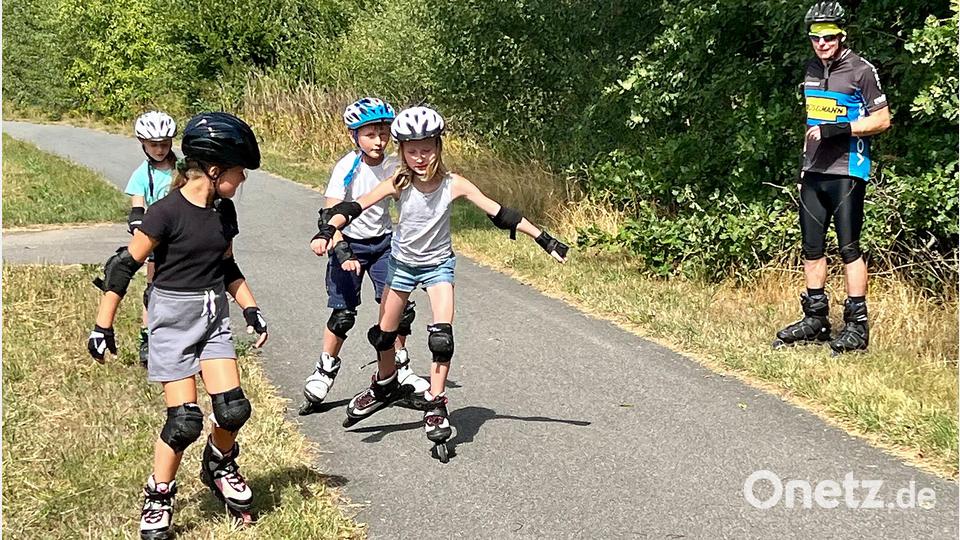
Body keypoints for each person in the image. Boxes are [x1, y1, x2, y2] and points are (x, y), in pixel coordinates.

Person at [312, 106, 568, 460]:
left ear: (439, 146)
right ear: (401, 151)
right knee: (383, 336)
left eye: (427, 148)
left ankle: (435, 402)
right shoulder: (399, 183)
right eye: (412, 150)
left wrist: (545, 239)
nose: (420, 157)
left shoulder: (453, 184)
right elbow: (354, 206)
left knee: (441, 338)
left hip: (437, 267)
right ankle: (385, 385)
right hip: (401, 267)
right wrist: (329, 227)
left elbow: (499, 212)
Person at [87, 112, 268, 539]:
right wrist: (103, 326)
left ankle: (219, 463)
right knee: (184, 421)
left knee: (233, 409)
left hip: (213, 317)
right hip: (171, 320)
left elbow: (227, 267)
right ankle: (159, 494)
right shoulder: (165, 213)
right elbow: (122, 267)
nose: (242, 180)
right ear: (213, 169)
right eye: (239, 171)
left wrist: (250, 308)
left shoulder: (224, 214)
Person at [773, 1, 891, 355]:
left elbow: (883, 120)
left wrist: (842, 128)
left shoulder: (861, 71)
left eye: (828, 36)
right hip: (814, 172)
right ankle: (816, 318)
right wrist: (802, 168)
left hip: (847, 171)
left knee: (849, 247)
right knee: (811, 248)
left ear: (841, 35)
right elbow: (812, 125)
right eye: (815, 37)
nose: (822, 43)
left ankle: (857, 325)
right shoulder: (811, 69)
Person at [302, 98, 429, 412]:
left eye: (384, 134)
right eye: (371, 134)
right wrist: (342, 250)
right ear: (354, 136)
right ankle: (325, 368)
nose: (379, 140)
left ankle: (401, 366)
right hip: (350, 246)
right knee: (344, 315)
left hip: (384, 245)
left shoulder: (394, 165)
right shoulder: (347, 167)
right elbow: (330, 214)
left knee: (399, 309)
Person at [126, 111, 178, 367]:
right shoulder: (141, 174)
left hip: (184, 234)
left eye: (164, 144)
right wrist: (139, 227)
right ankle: (148, 337)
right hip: (158, 238)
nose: (159, 149)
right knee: (153, 290)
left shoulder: (183, 169)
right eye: (154, 144)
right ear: (143, 144)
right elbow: (137, 210)